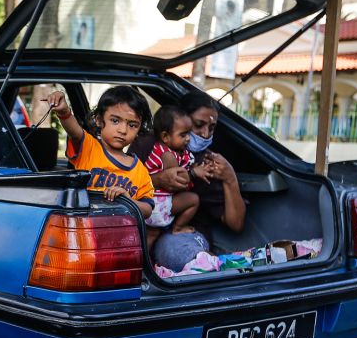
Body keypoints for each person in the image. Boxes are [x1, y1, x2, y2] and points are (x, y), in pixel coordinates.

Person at [131, 90, 246, 245]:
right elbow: (121, 184)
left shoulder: (209, 162)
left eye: (212, 128)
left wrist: (230, 178)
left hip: (183, 233)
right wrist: (158, 180)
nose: (205, 134)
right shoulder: (148, 144)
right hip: (143, 220)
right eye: (198, 125)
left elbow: (236, 224)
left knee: (179, 251)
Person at [46, 86, 154, 218]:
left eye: (132, 125)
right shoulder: (88, 148)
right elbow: (74, 132)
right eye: (115, 121)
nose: (123, 130)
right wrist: (64, 112)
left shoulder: (140, 171)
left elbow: (147, 210)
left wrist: (128, 202)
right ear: (98, 120)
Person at [142, 105, 202, 249]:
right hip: (158, 204)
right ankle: (178, 228)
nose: (188, 138)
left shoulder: (169, 149)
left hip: (150, 203)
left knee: (151, 234)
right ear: (165, 137)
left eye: (189, 134)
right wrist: (195, 172)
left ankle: (143, 264)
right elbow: (179, 179)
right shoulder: (168, 156)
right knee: (193, 200)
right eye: (183, 134)